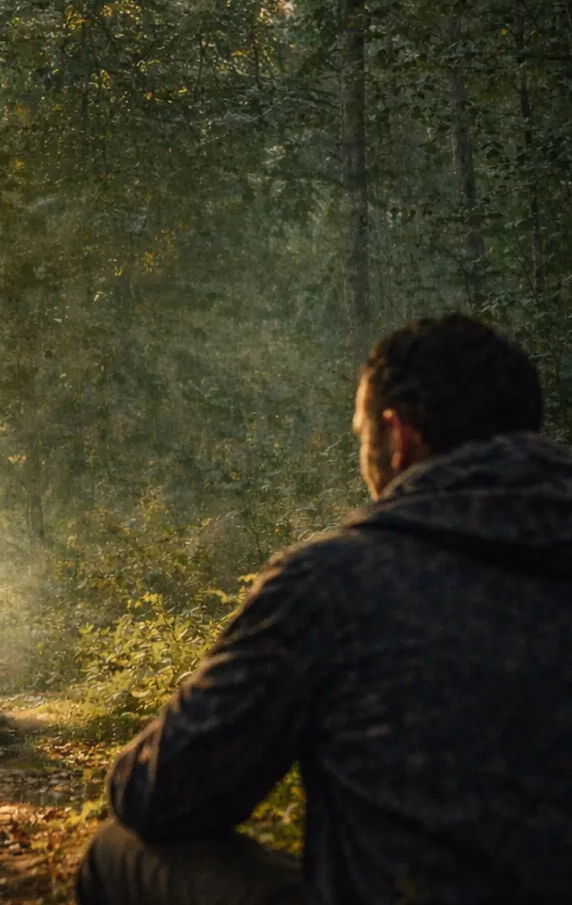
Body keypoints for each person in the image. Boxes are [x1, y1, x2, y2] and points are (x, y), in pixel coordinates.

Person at [76, 314, 572, 905]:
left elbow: (158, 793)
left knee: (118, 849)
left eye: (362, 435)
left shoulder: (337, 581)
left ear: (397, 437)